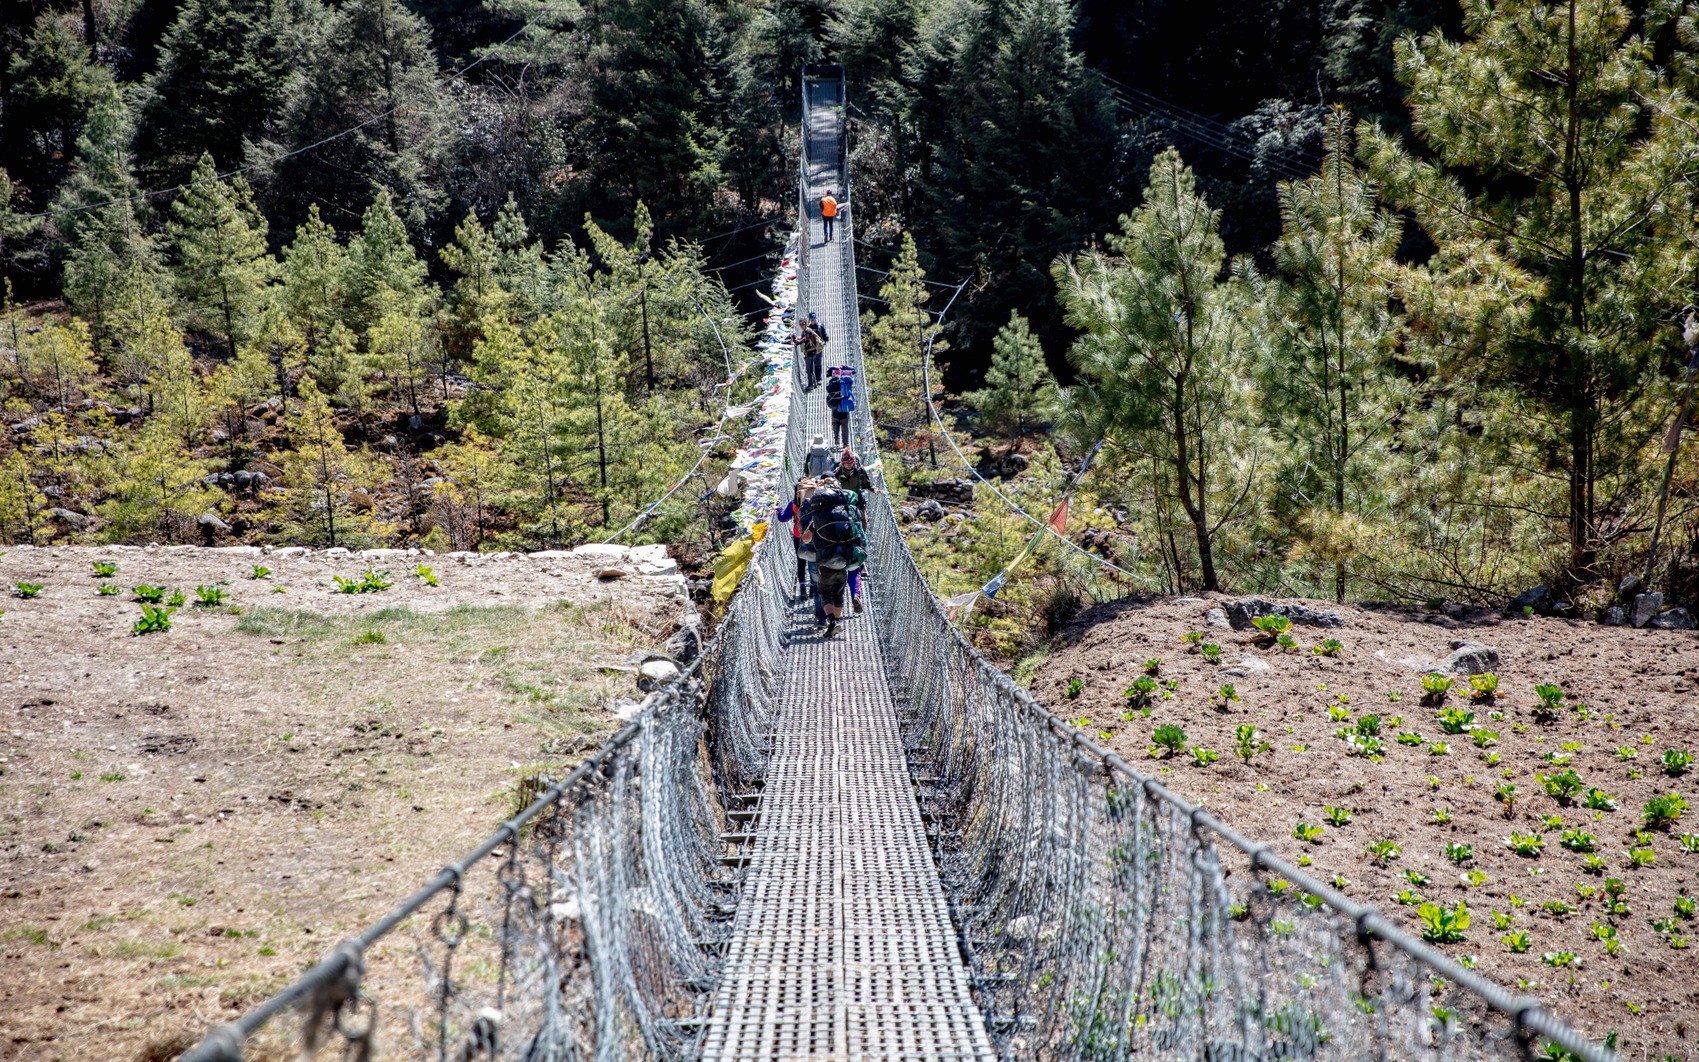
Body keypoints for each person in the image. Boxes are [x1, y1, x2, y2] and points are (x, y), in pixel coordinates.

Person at [800, 476, 865, 637]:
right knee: (838, 594)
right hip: (844, 558)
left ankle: (832, 622)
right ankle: (837, 621)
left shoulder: (819, 516)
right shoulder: (846, 512)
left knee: (824, 592)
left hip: (825, 561)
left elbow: (806, 539)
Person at [830, 449, 880, 614]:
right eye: (847, 462)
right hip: (843, 504)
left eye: (851, 462)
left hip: (857, 503)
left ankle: (861, 547)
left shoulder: (860, 471)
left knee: (863, 522)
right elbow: (832, 485)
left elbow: (867, 484)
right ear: (843, 463)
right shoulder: (837, 473)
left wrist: (874, 490)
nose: (849, 465)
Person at [774, 480, 813, 600]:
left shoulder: (794, 504)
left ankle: (803, 590)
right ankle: (813, 588)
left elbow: (783, 518)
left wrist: (778, 509)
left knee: (801, 563)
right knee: (813, 562)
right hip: (813, 535)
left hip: (798, 535)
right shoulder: (817, 501)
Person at [825, 366, 855, 448]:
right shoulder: (845, 387)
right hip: (844, 411)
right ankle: (845, 443)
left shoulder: (832, 385)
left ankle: (836, 439)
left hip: (835, 410)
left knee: (835, 425)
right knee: (845, 427)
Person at [795, 315, 825, 390]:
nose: (801, 326)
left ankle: (810, 385)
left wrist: (797, 342)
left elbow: (805, 339)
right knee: (811, 369)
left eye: (803, 324)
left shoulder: (807, 331)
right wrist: (797, 339)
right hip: (812, 352)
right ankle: (814, 383)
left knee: (809, 370)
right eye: (800, 324)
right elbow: (803, 338)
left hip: (810, 353)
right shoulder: (806, 331)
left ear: (806, 323)